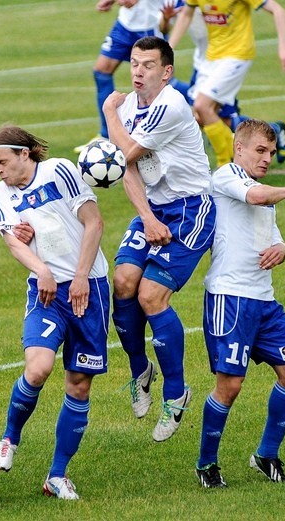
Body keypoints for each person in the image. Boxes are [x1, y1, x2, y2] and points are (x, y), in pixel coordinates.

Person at [0, 125, 109, 500]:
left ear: (25, 154)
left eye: (2, 162)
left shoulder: (60, 170)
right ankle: (10, 438)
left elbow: (94, 222)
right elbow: (12, 242)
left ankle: (57, 475)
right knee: (38, 368)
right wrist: (42, 270)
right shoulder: (0, 193)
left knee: (79, 384)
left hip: (91, 288)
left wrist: (82, 276)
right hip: (46, 291)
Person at [102, 36, 216, 442]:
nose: (137, 71)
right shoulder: (131, 105)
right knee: (123, 283)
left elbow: (124, 152)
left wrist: (107, 111)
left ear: (166, 72)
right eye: (134, 63)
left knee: (151, 296)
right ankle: (139, 370)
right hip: (154, 209)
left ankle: (176, 392)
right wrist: (146, 218)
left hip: (190, 210)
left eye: (148, 65)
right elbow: (127, 170)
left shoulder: (171, 104)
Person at [195, 119, 285, 488]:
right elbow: (256, 197)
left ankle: (266, 454)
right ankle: (206, 464)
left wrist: (282, 248)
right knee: (230, 385)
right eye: (260, 151)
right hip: (230, 298)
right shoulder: (225, 177)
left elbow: (272, 235)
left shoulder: (262, 189)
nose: (267, 159)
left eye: (271, 153)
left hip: (265, 301)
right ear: (238, 148)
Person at [160, 0, 285, 163]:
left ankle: (225, 164)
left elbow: (278, 10)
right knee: (200, 116)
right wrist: (168, 49)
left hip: (237, 55)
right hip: (211, 59)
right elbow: (186, 14)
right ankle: (245, 152)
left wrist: (283, 47)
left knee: (202, 105)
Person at [74, 0, 165, 153]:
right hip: (125, 24)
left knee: (160, 82)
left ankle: (202, 103)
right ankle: (106, 135)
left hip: (148, 25)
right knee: (101, 72)